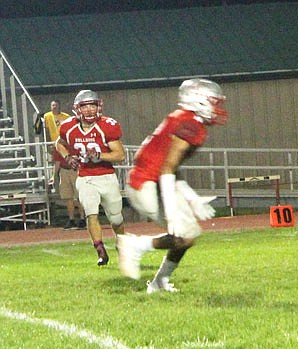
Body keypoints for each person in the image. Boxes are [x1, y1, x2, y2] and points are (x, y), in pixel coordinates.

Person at [116, 78, 228, 293]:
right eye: (214, 102)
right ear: (199, 101)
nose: (217, 108)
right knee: (184, 235)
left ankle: (159, 282)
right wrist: (172, 212)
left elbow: (170, 166)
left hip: (150, 181)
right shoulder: (190, 124)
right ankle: (136, 245)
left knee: (189, 235)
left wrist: (191, 197)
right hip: (147, 184)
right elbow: (167, 168)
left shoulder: (187, 119)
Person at [55, 90, 125, 266]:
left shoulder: (107, 125)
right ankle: (101, 251)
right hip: (85, 176)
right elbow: (58, 143)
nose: (89, 110)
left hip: (106, 176)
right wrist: (68, 157)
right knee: (91, 213)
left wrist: (100, 154)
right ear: (77, 109)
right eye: (85, 106)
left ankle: (122, 246)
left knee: (116, 219)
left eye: (92, 105)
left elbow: (120, 155)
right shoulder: (68, 126)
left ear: (98, 106)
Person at [52, 149, 86, 230]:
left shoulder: (75, 144)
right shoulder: (59, 147)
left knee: (79, 196)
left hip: (76, 170)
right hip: (64, 170)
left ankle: (82, 218)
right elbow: (57, 162)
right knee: (68, 197)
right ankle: (71, 219)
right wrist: (54, 176)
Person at [43, 101, 71, 191]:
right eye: (53, 105)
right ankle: (53, 180)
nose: (54, 107)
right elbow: (46, 131)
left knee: (59, 161)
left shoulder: (66, 117)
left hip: (63, 142)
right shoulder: (47, 116)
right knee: (56, 161)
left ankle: (53, 179)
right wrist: (48, 143)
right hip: (54, 142)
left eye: (56, 105)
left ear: (59, 106)